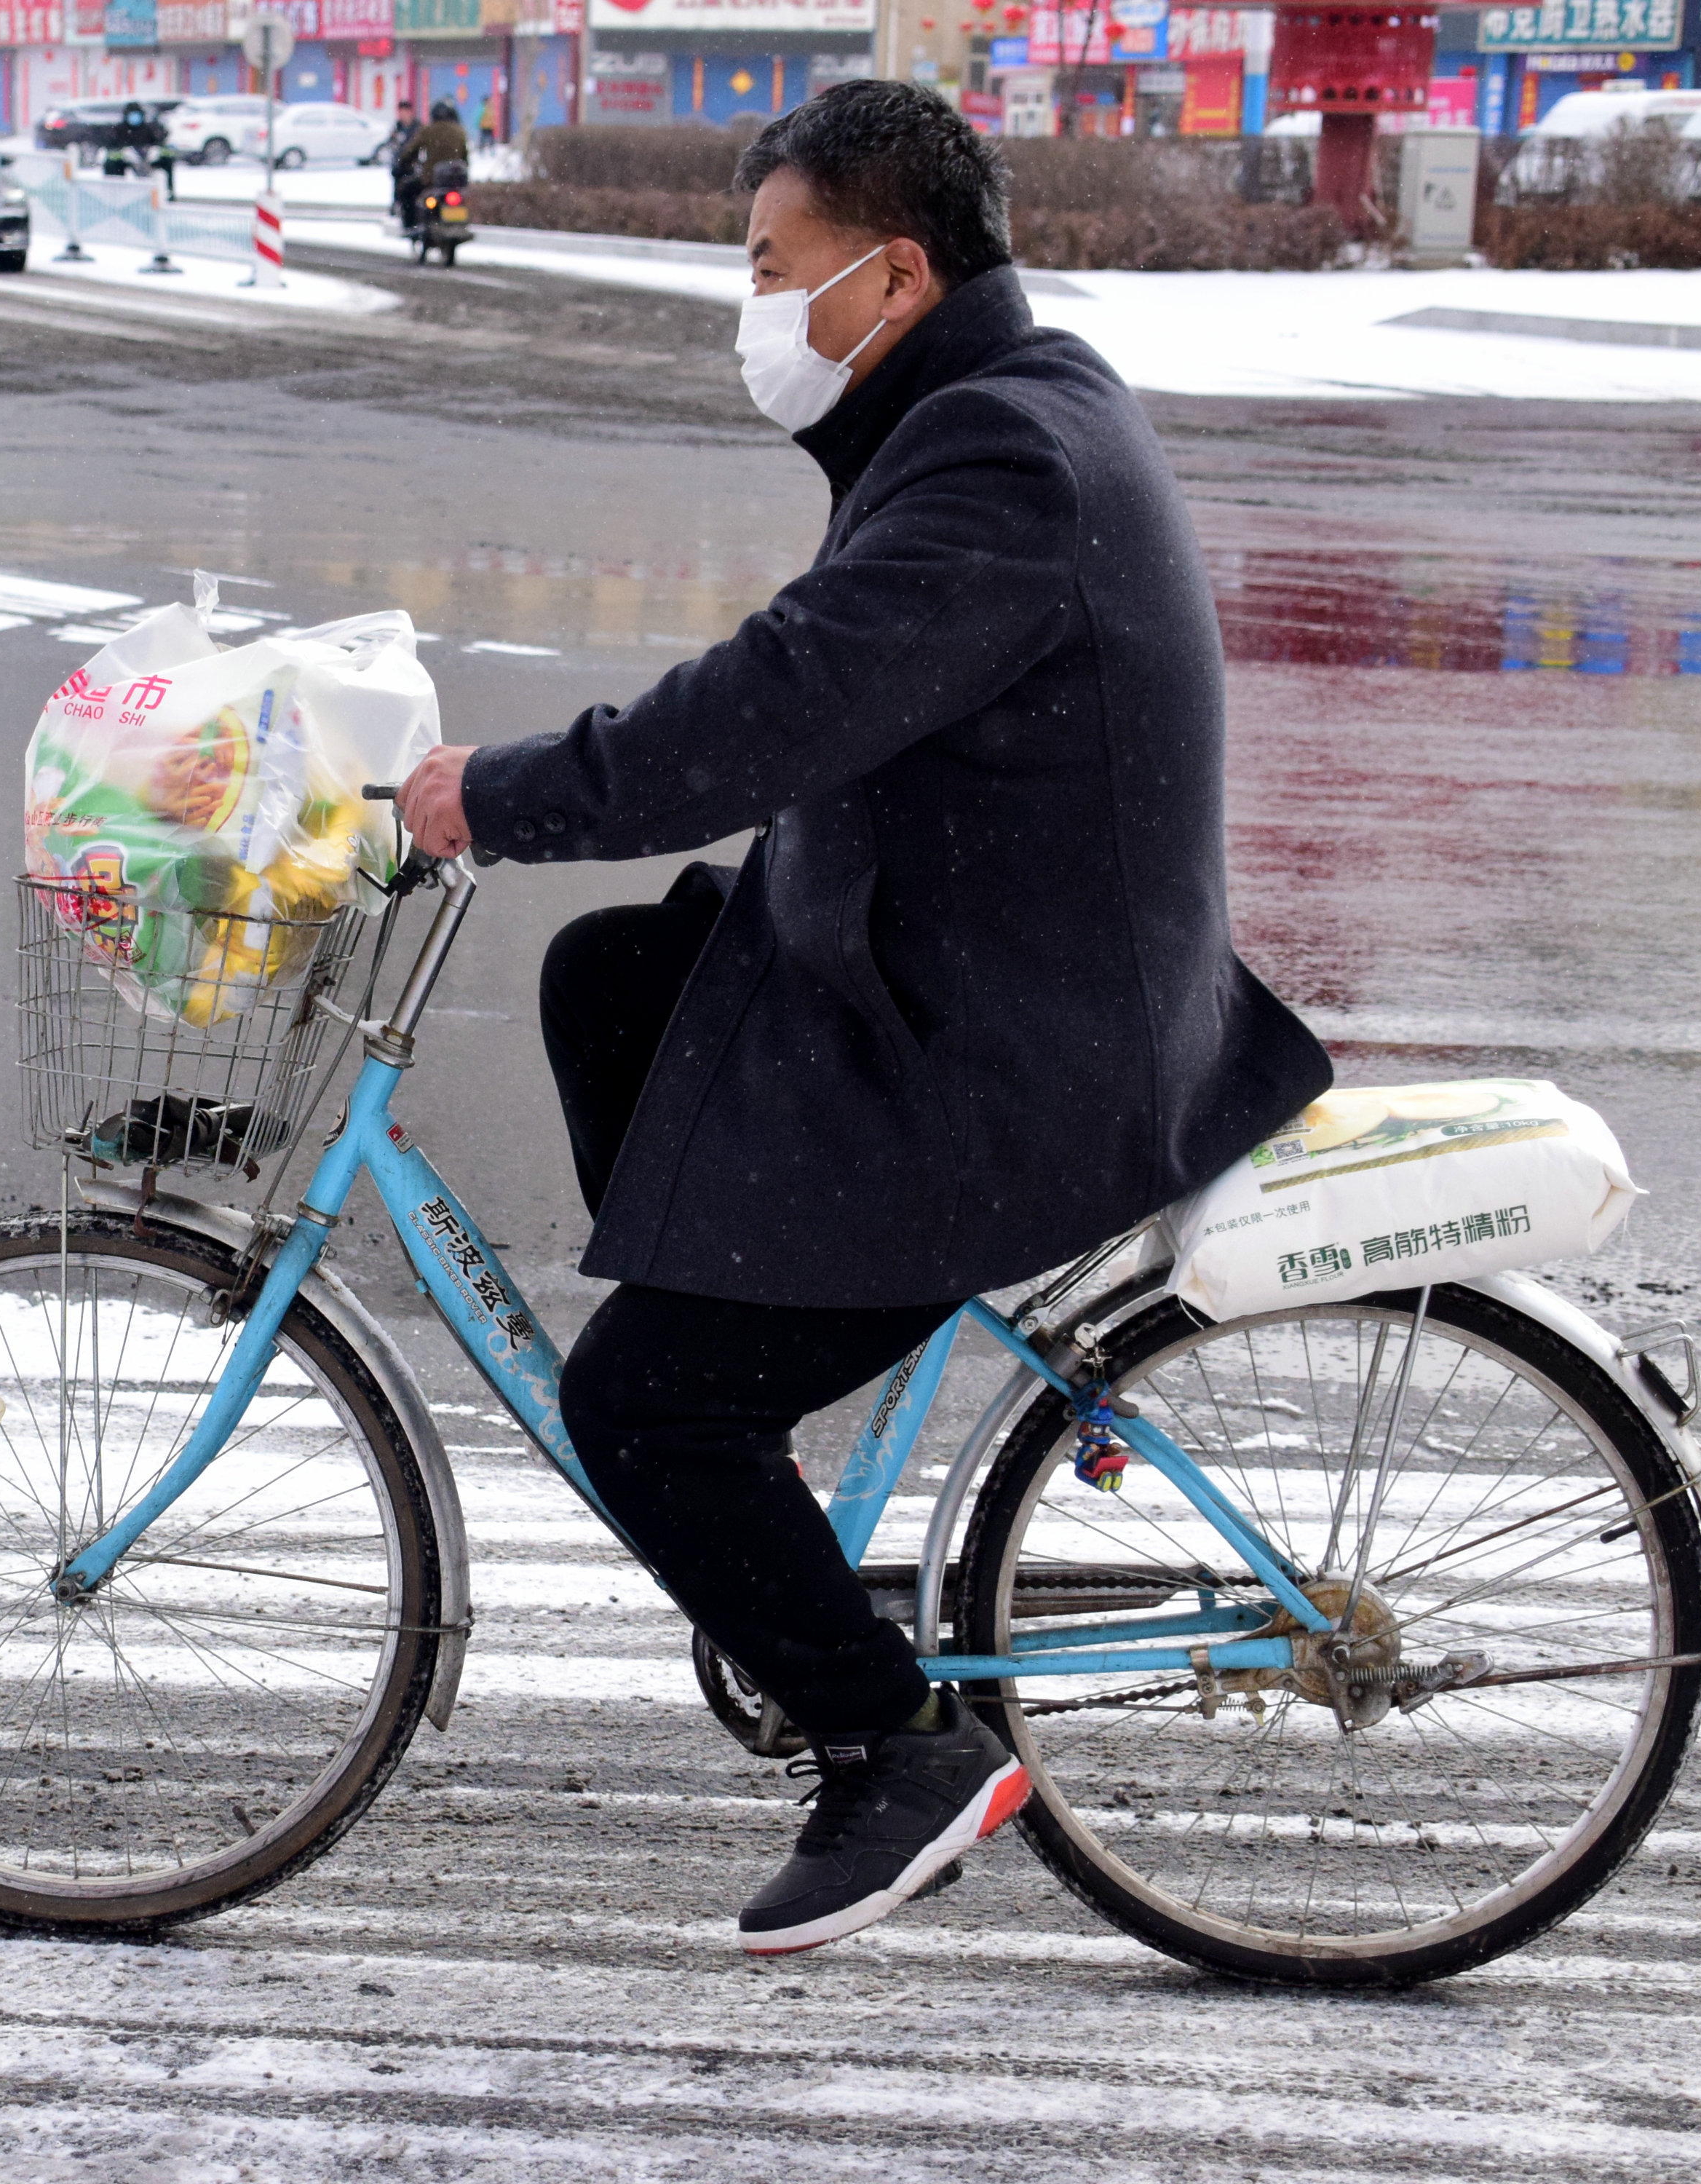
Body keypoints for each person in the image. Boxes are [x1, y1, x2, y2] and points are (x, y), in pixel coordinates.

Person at [392, 79, 1328, 1956]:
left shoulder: (993, 469)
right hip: (984, 970)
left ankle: (888, 1739)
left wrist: (496, 793)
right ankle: (758, 1425)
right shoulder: (987, 410)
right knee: (611, 976)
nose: (750, 308)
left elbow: (769, 709)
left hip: (1018, 1061)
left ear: (891, 275)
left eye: (768, 266)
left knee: (638, 1404)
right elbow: (810, 699)